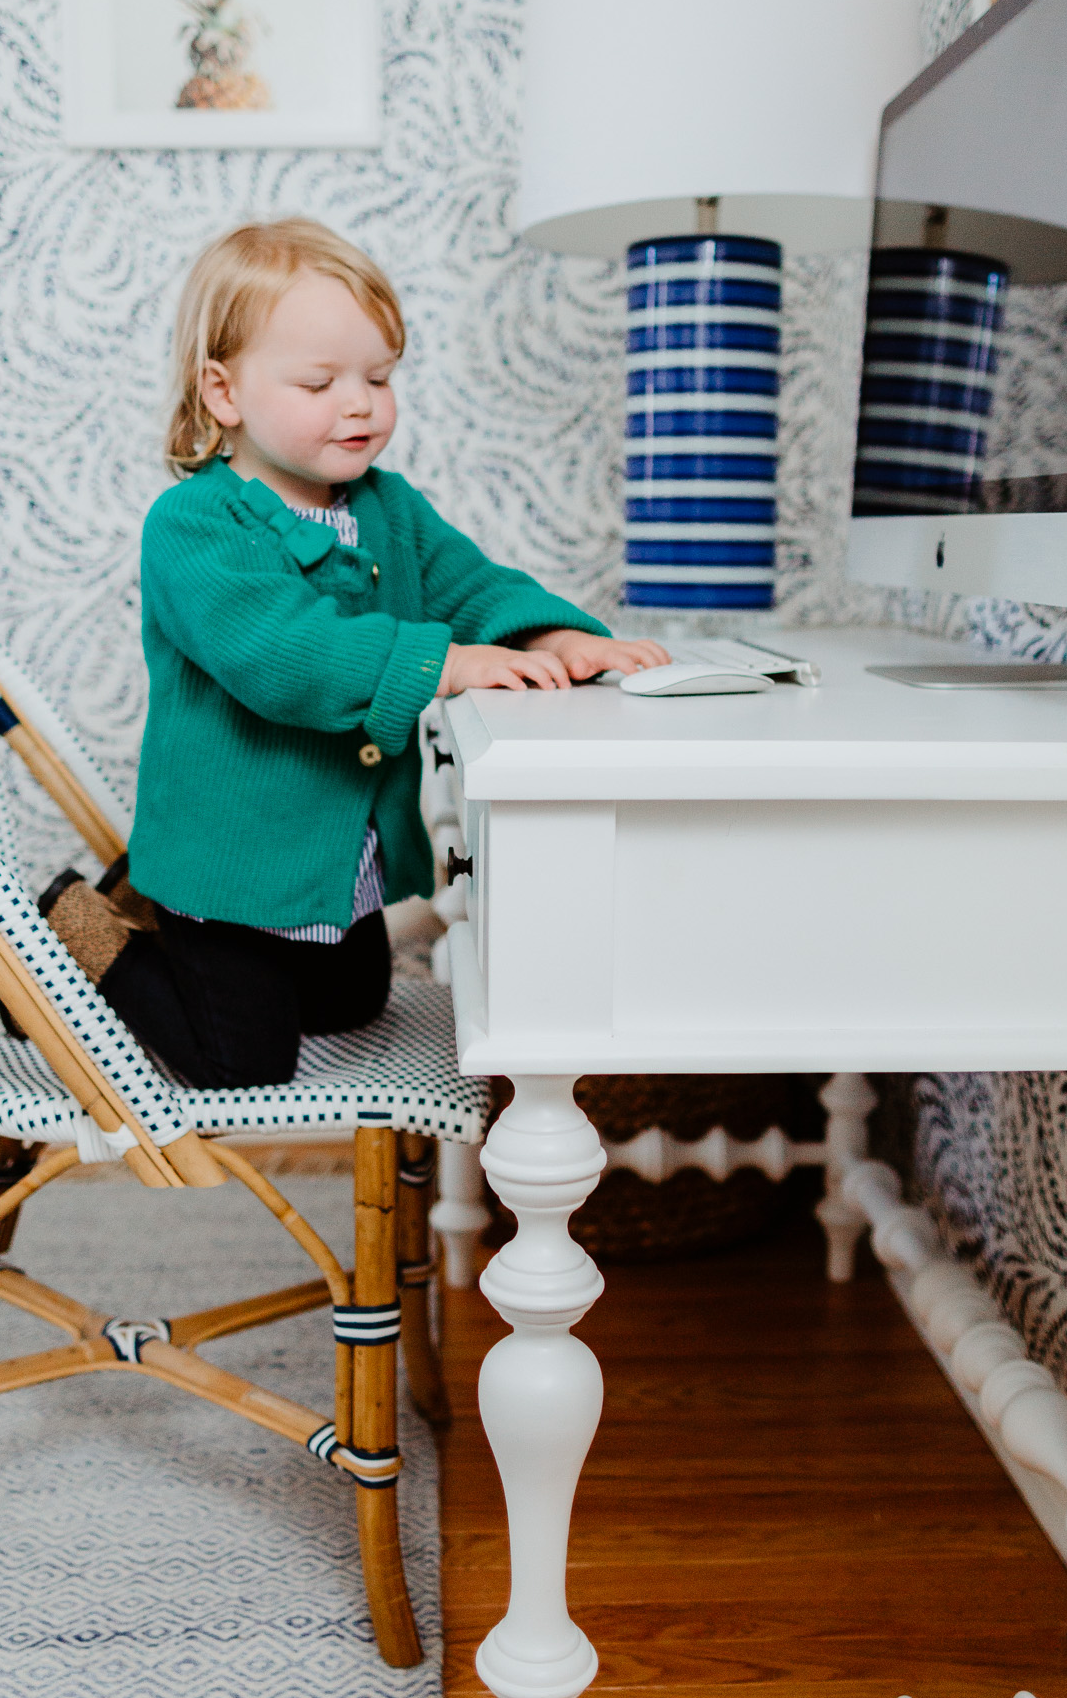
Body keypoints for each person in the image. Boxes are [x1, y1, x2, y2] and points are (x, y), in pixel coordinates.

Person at [53, 216, 668, 1089]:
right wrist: (444, 666)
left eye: (378, 378)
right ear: (224, 394)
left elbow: (471, 586)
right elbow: (283, 655)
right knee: (239, 1064)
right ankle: (84, 938)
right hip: (231, 870)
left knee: (353, 1005)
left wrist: (551, 636)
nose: (359, 403)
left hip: (333, 865)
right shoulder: (194, 526)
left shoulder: (387, 505)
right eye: (319, 382)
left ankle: (201, 948)